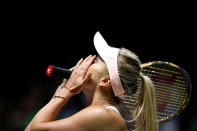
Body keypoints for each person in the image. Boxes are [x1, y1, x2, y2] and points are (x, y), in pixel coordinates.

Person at [25, 32, 158, 131]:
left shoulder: (102, 114)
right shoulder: (101, 113)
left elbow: (34, 129)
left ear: (106, 81)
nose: (87, 63)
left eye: (95, 62)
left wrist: (67, 90)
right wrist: (64, 88)